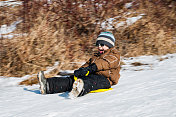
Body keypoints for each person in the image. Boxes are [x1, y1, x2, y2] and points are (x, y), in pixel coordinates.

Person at [37, 31, 121, 98]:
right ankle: (47, 85)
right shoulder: (96, 56)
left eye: (102, 44)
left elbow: (105, 63)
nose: (99, 47)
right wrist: (82, 69)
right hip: (92, 75)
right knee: (71, 79)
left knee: (90, 81)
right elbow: (88, 64)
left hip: (106, 80)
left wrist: (92, 68)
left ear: (109, 45)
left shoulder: (114, 55)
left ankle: (80, 89)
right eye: (98, 45)